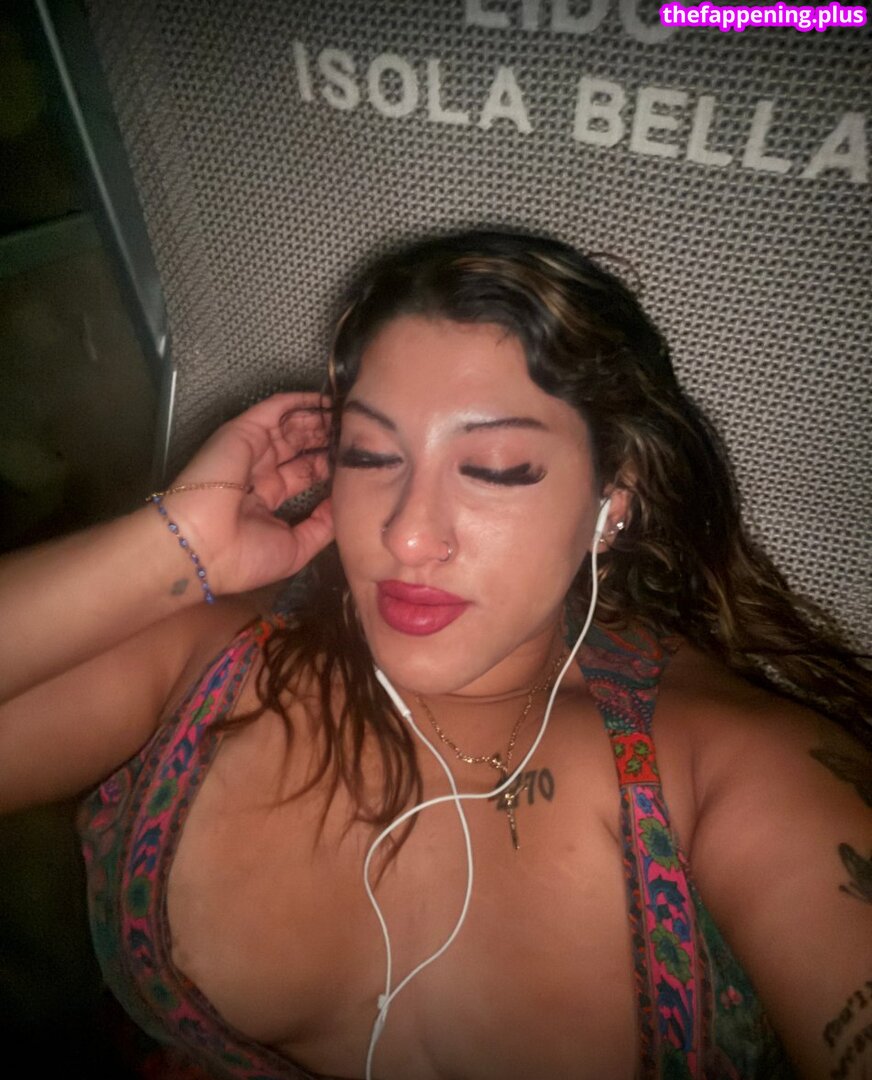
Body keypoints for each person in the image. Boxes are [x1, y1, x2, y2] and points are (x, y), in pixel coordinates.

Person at [1, 230, 869, 1080]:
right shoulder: (214, 662)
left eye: (493, 468)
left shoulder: (734, 776)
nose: (407, 536)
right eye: (371, 455)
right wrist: (170, 547)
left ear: (613, 498)